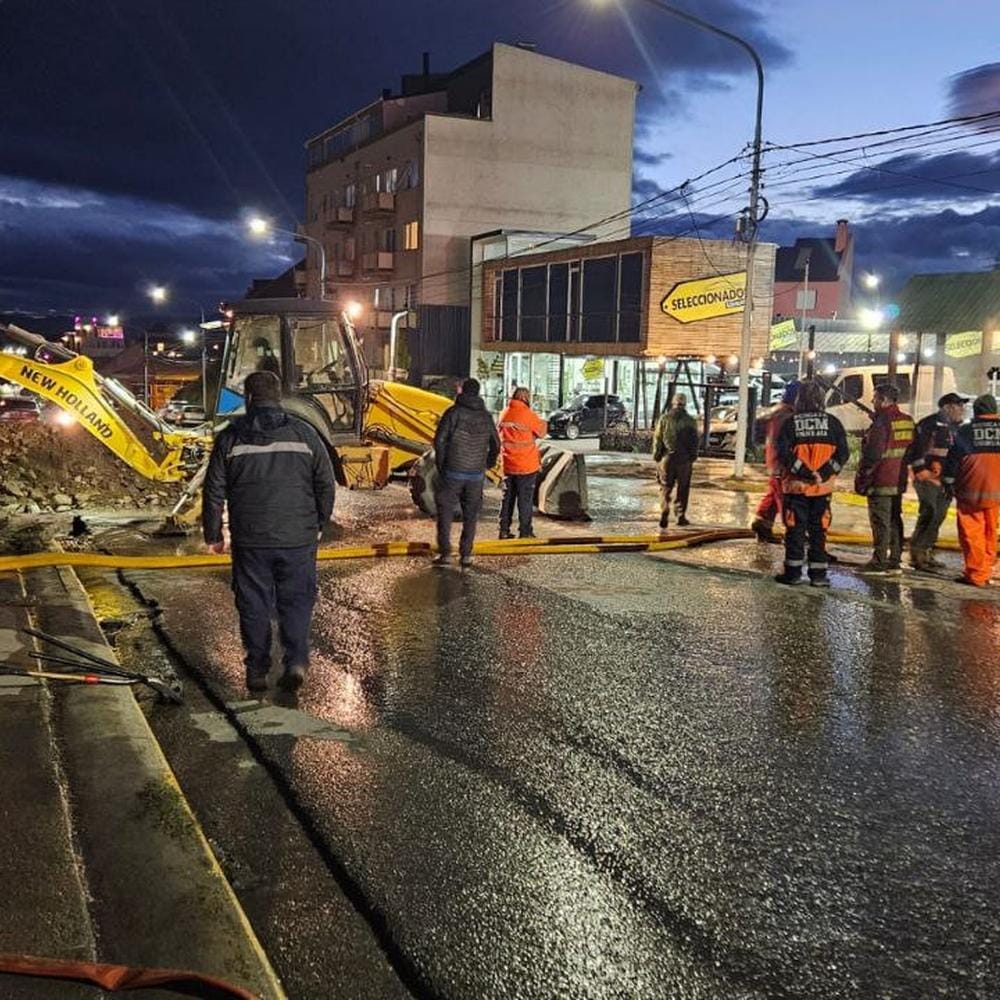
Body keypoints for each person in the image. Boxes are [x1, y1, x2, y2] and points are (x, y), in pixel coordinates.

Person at [203, 371, 335, 693]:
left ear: (248, 398)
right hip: (297, 538)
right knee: (297, 601)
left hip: (251, 540)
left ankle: (257, 670)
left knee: (253, 603)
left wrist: (214, 534)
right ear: (279, 398)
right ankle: (296, 662)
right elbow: (325, 483)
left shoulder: (230, 438)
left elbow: (213, 490)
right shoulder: (305, 434)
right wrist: (319, 522)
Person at [775, 379, 849, 587]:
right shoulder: (833, 423)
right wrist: (822, 474)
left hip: (797, 488)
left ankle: (793, 573)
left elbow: (784, 455)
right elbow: (843, 454)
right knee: (819, 532)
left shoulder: (790, 424)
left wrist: (806, 473)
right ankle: (818, 576)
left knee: (795, 530)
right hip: (822, 490)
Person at [432, 377, 500, 568]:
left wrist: (442, 465)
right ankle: (466, 554)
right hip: (476, 474)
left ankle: (445, 553)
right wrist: (487, 463)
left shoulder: (453, 413)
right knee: (471, 514)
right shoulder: (486, 417)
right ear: (478, 393)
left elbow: (439, 441)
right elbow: (496, 444)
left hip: (453, 471)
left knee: (445, 510)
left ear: (462, 391)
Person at [854, 384, 915, 575]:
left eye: (875, 398)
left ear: (885, 400)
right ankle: (894, 559)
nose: (872, 402)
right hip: (898, 479)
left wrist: (862, 478)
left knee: (880, 521)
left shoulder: (882, 423)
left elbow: (873, 454)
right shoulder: (907, 421)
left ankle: (879, 560)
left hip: (880, 479)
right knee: (895, 519)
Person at [943, 393, 1000, 587]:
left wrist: (948, 482)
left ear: (977, 410)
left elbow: (953, 460)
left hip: (971, 491)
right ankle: (987, 568)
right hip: (996, 493)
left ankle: (976, 574)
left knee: (972, 533)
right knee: (990, 531)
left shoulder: (966, 431)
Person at [908, 392, 967, 570]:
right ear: (947, 407)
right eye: (959, 405)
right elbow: (916, 450)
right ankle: (917, 553)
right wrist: (921, 471)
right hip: (928, 478)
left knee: (939, 515)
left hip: (946, 480)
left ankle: (926, 551)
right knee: (930, 512)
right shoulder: (929, 424)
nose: (962, 409)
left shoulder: (958, 428)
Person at [751, 381, 799, 543]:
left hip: (773, 462)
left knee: (773, 495)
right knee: (785, 498)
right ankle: (793, 534)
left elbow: (759, 435)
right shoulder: (788, 416)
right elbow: (786, 442)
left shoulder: (775, 412)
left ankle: (762, 523)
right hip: (782, 464)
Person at [497, 386, 548, 539]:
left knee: (507, 498)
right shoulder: (528, 415)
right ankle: (525, 532)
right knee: (525, 501)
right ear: (526, 398)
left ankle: (503, 530)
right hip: (526, 465)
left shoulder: (504, 413)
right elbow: (542, 432)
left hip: (508, 463)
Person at [653, 393, 699, 529]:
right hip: (684, 460)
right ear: (685, 404)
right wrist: (693, 456)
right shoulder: (690, 421)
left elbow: (658, 439)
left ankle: (664, 508)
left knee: (665, 486)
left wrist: (657, 455)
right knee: (683, 488)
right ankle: (680, 516)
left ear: (673, 403)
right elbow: (695, 441)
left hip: (667, 458)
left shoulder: (664, 419)